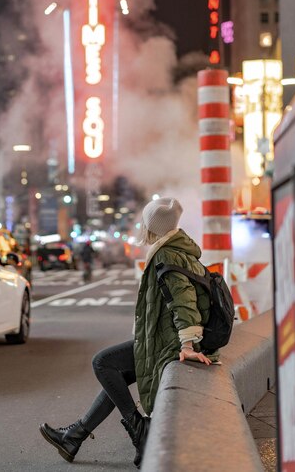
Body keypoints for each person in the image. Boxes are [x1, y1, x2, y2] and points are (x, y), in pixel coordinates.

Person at [39, 197, 220, 468]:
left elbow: (184, 302)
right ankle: (73, 437)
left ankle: (140, 431)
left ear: (153, 226)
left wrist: (187, 344)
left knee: (102, 362)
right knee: (119, 375)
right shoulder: (180, 250)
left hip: (167, 342)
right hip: (163, 337)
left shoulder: (165, 255)